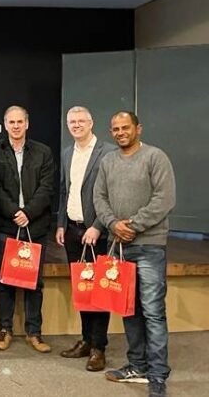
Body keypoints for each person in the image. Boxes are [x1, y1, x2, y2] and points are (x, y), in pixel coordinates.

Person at [94, 111, 176, 397]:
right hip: (118, 246)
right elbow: (98, 197)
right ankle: (136, 364)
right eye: (115, 129)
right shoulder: (107, 161)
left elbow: (164, 199)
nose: (119, 132)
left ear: (138, 128)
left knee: (153, 311)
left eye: (125, 127)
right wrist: (114, 224)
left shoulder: (155, 157)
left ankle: (157, 373)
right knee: (128, 308)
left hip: (149, 245)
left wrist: (133, 225)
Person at [0, 105, 55, 354]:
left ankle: (34, 332)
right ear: (5, 125)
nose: (15, 126)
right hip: (7, 224)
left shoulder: (43, 152)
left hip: (35, 226)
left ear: (27, 124)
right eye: (11, 122)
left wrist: (29, 213)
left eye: (20, 122)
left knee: (34, 282)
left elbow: (47, 188)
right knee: (5, 280)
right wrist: (15, 212)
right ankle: (4, 329)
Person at [55, 106, 115, 371]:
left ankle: (99, 347)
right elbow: (64, 191)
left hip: (97, 233)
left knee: (99, 292)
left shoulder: (108, 152)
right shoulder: (68, 153)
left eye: (81, 121)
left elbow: (112, 195)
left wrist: (98, 226)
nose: (76, 125)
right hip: (72, 231)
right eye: (72, 121)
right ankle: (86, 341)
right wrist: (60, 224)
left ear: (91, 123)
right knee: (83, 288)